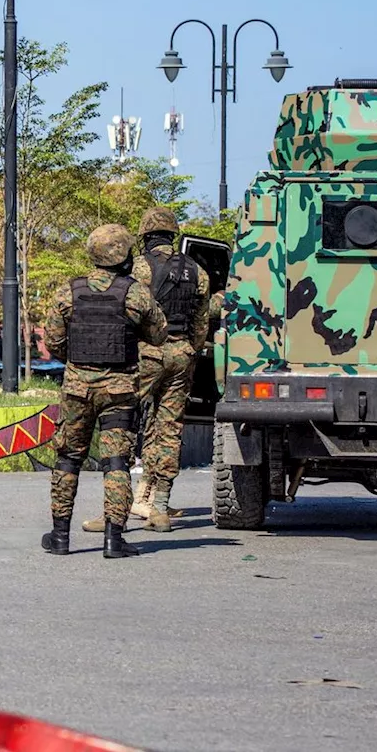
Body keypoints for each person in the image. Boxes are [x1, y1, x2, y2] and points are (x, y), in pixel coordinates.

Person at [41, 224, 167, 559]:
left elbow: (52, 341)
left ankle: (60, 537)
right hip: (119, 390)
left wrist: (78, 363)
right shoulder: (135, 292)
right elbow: (158, 334)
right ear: (124, 254)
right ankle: (114, 540)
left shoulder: (68, 291)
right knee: (116, 463)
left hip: (76, 391)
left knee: (68, 458)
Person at [124, 207, 210, 532]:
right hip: (182, 354)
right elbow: (200, 325)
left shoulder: (140, 268)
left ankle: (118, 504)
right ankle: (159, 506)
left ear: (146, 236)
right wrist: (191, 352)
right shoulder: (198, 272)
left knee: (124, 419)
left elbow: (127, 313)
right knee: (169, 428)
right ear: (173, 235)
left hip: (147, 353)